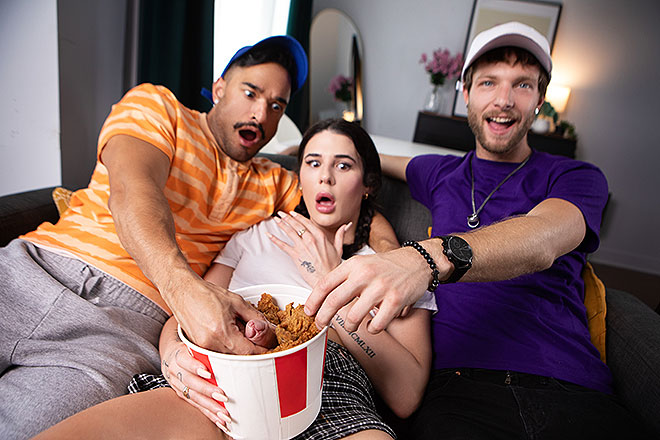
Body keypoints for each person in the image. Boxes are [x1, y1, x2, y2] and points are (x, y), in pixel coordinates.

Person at [305, 22, 651, 438]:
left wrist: (426, 258)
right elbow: (372, 160)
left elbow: (543, 237)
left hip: (572, 387)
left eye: (522, 85)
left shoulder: (576, 175)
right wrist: (293, 152)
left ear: (540, 100)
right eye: (488, 82)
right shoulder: (439, 172)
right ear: (466, 94)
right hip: (459, 391)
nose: (503, 101)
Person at [33, 119, 435, 440]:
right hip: (222, 385)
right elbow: (194, 304)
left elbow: (405, 394)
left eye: (343, 165)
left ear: (367, 186)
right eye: (313, 162)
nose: (325, 177)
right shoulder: (255, 236)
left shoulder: (393, 266)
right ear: (300, 178)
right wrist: (172, 354)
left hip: (327, 387)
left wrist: (328, 278)